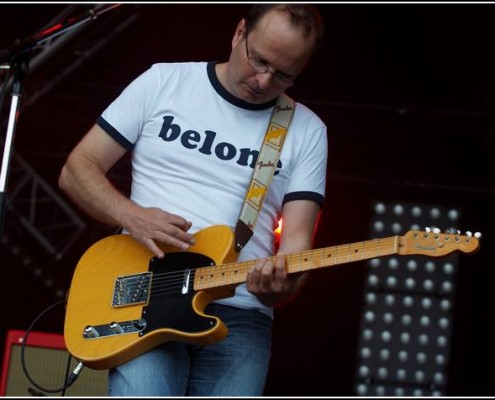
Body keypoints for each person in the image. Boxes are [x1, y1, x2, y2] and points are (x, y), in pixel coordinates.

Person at [59, 3, 327, 397]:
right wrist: (132, 216)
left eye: (284, 75)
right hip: (146, 294)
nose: (263, 80)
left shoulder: (307, 130)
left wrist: (280, 288)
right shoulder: (164, 82)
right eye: (259, 61)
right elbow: (77, 169)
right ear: (239, 33)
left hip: (240, 313)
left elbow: (297, 247)